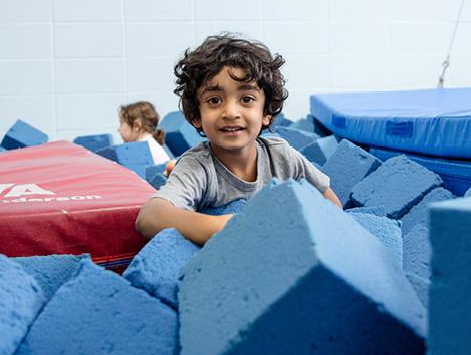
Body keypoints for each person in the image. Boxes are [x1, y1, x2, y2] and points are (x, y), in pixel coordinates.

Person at [135, 33, 342, 245]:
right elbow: (149, 217)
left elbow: (332, 206)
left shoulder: (281, 155)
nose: (231, 112)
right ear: (196, 116)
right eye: (214, 100)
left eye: (246, 99)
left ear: (266, 113)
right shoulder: (199, 166)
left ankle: (171, 168)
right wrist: (226, 227)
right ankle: (171, 170)